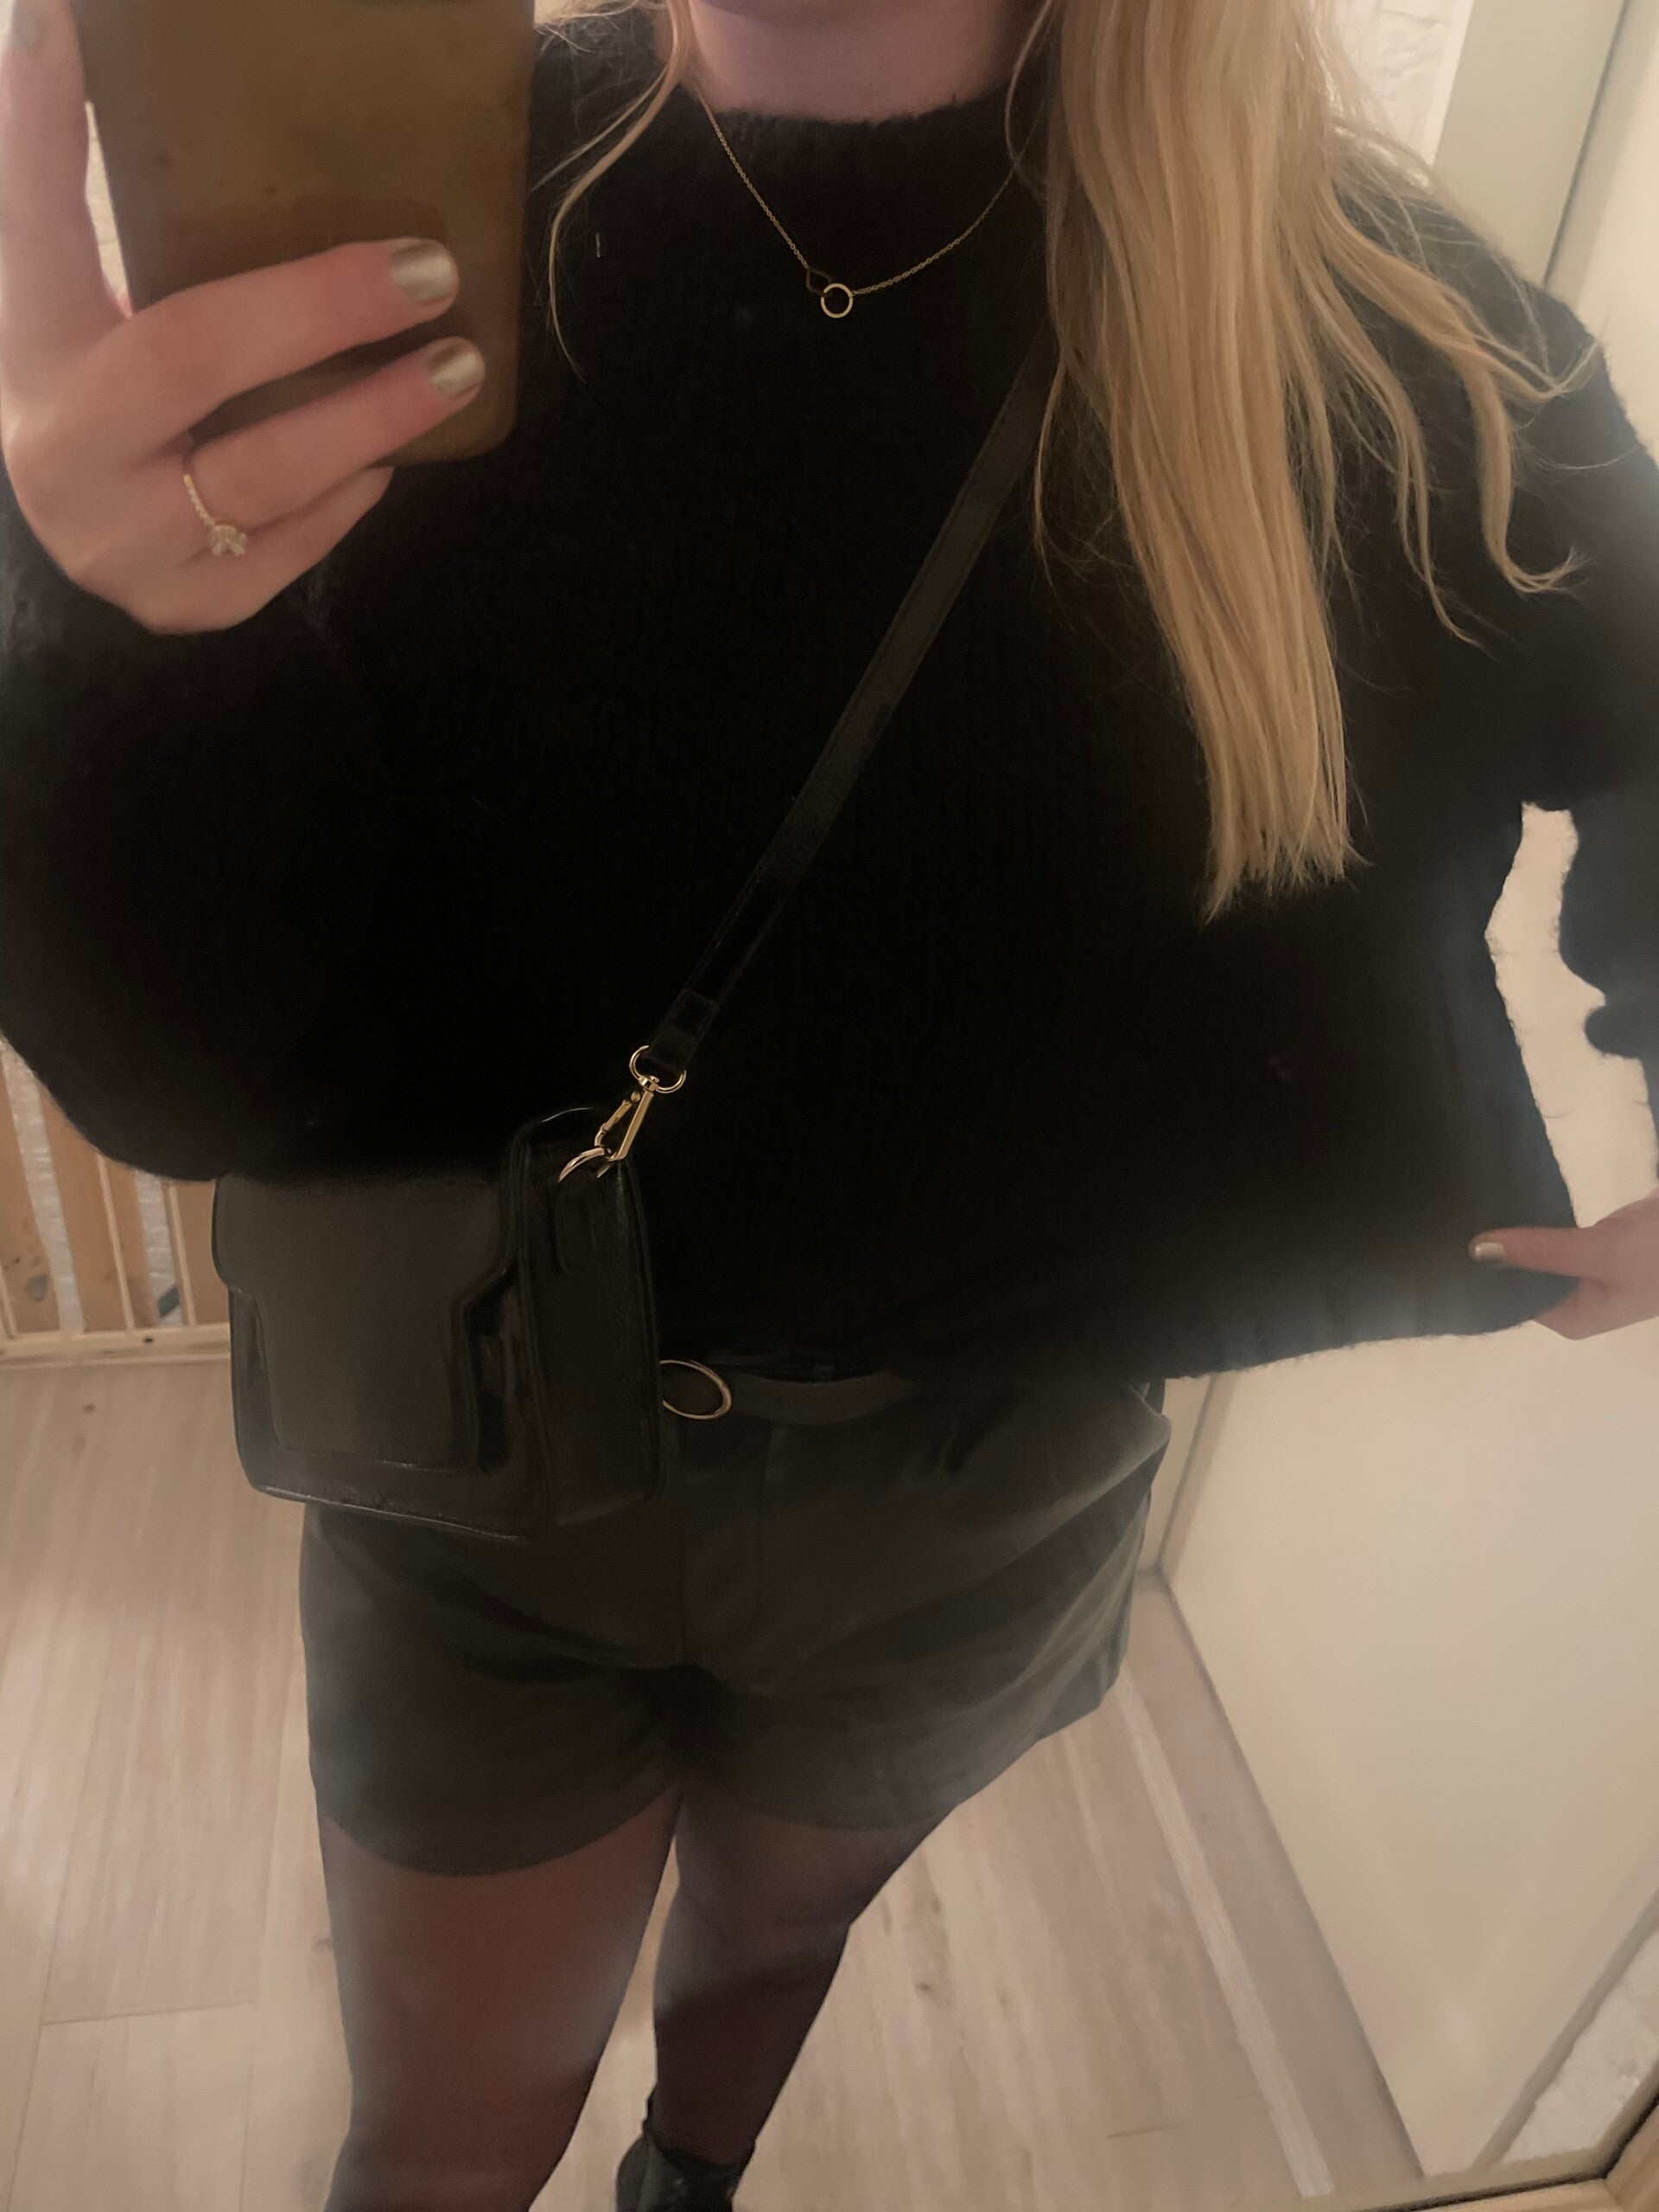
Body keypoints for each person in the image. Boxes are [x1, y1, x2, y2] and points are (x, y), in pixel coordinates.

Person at [1, 0, 1656, 2202]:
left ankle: (692, 2176)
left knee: (770, 1954)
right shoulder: (392, 257)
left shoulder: (1396, 337)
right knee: (444, 2131)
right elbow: (171, 1076)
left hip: (984, 1478)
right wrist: (95, 623)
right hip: (474, 1445)